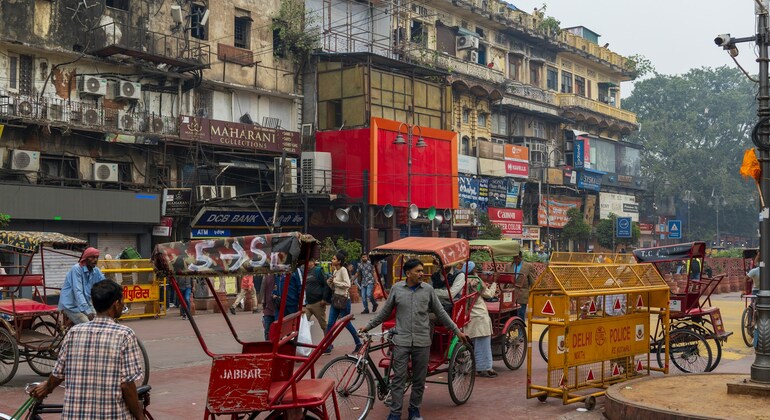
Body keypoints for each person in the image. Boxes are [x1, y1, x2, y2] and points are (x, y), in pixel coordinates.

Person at [361, 258, 470, 420]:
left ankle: (414, 411)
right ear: (408, 273)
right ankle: (395, 413)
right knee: (398, 379)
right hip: (401, 341)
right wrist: (368, 326)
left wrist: (457, 331)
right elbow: (385, 313)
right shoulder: (397, 289)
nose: (421, 274)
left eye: (421, 271)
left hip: (422, 341)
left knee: (419, 381)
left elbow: (440, 313)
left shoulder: (428, 290)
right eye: (418, 271)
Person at [32, 280, 146, 420]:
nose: (123, 305)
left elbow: (58, 374)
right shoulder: (124, 334)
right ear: (116, 304)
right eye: (122, 301)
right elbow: (127, 385)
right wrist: (140, 416)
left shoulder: (74, 332)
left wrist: (47, 388)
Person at [465, 261, 498, 378]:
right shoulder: (476, 280)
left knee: (471, 343)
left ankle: (472, 365)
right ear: (474, 270)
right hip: (479, 315)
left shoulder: (461, 280)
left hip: (467, 315)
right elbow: (489, 294)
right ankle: (484, 367)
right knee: (483, 343)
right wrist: (494, 283)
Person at [325, 252, 362, 354]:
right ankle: (328, 345)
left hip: (344, 300)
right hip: (336, 298)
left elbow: (347, 284)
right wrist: (330, 283)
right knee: (330, 324)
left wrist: (335, 282)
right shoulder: (336, 271)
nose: (332, 261)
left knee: (346, 323)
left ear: (339, 261)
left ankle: (359, 344)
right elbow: (335, 287)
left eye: (334, 259)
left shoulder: (343, 270)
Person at [58, 246, 106, 324]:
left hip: (86, 302)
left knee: (99, 321)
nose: (95, 260)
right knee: (89, 325)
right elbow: (78, 291)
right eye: (93, 257)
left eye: (97, 257)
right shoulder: (76, 269)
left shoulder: (95, 270)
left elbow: (105, 284)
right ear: (86, 258)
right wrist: (87, 311)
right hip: (71, 305)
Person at [303, 258, 331, 333]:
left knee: (323, 325)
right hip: (308, 303)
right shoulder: (304, 272)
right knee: (303, 323)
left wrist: (324, 299)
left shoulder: (318, 271)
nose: (307, 263)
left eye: (309, 261)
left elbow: (326, 285)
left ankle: (328, 343)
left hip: (318, 303)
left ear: (313, 262)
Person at [511, 250, 536, 322]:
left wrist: (534, 291)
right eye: (514, 258)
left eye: (518, 258)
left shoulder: (528, 266)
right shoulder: (509, 265)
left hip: (522, 294)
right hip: (511, 293)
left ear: (521, 258)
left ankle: (521, 332)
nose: (516, 260)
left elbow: (532, 281)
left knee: (521, 313)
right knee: (511, 314)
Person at [262, 273, 279, 340]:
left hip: (278, 307)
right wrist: (264, 305)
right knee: (268, 331)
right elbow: (264, 291)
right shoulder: (267, 276)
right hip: (268, 308)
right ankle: (268, 347)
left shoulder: (281, 276)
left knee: (278, 331)